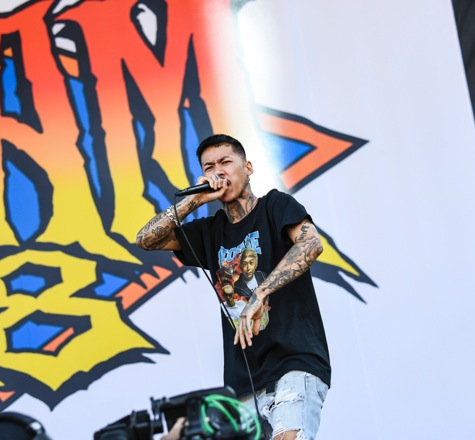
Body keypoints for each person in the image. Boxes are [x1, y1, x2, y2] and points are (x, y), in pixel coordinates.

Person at [136, 134, 330, 439]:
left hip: (293, 364)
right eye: (209, 167)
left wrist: (260, 293)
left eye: (225, 162)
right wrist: (194, 201)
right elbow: (146, 240)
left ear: (248, 167)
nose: (218, 171)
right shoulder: (210, 231)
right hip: (243, 383)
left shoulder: (275, 205)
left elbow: (311, 244)